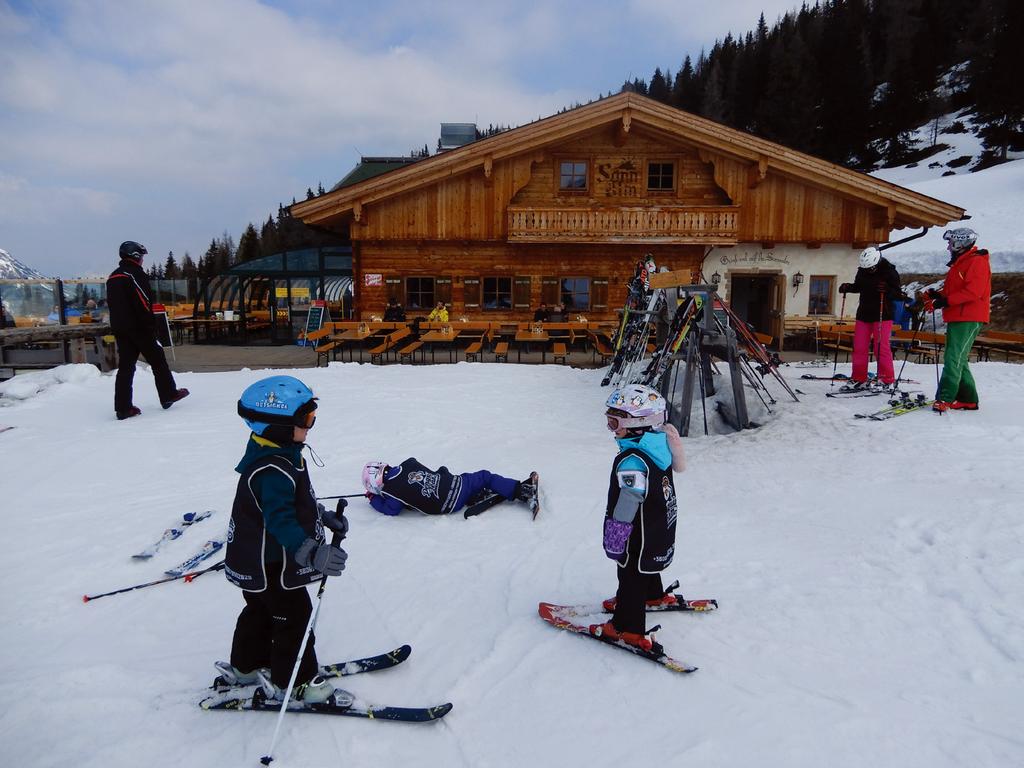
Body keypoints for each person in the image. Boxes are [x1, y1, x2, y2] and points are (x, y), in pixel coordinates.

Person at [221, 375, 349, 704]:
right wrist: (313, 552)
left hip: (254, 560)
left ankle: (246, 666)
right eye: (306, 420)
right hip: (270, 564)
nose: (311, 426)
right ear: (277, 426)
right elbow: (281, 521)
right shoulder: (271, 470)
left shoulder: (278, 453)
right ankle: (296, 681)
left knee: (261, 612)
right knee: (294, 618)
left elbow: (293, 501)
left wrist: (321, 516)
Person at [589, 384, 686, 654]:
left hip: (636, 533)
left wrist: (616, 537)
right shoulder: (659, 444)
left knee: (630, 573)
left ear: (639, 423)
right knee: (647, 562)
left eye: (615, 422)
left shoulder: (632, 460)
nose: (612, 428)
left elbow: (629, 499)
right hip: (659, 525)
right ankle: (653, 594)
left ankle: (627, 627)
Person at [106, 241, 189, 420]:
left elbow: (113, 305)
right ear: (135, 256)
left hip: (121, 328)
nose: (143, 259)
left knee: (126, 367)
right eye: (141, 256)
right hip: (139, 327)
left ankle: (123, 408)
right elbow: (144, 301)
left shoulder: (113, 277)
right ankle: (168, 394)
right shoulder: (134, 274)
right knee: (158, 360)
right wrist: (150, 325)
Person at [924, 228, 991, 413]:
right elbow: (955, 291)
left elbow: (973, 292)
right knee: (958, 358)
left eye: (950, 243)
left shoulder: (976, 262)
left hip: (969, 317)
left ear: (959, 244)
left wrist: (945, 301)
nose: (948, 247)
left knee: (953, 357)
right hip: (959, 315)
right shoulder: (960, 263)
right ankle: (968, 399)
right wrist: (938, 295)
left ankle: (945, 397)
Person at [362, 459, 536, 517]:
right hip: (456, 485)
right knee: (484, 476)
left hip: (447, 503)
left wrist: (373, 498)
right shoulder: (408, 463)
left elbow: (391, 510)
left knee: (477, 481)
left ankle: (475, 495)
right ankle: (520, 490)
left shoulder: (391, 491)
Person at [838, 247, 905, 387]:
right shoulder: (862, 270)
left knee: (880, 347)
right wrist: (848, 287)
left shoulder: (889, 272)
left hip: (883, 314)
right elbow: (859, 286)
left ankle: (886, 379)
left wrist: (888, 290)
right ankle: (859, 378)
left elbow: (898, 295)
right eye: (866, 268)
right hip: (864, 313)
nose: (868, 271)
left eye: (871, 268)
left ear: (877, 262)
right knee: (859, 347)